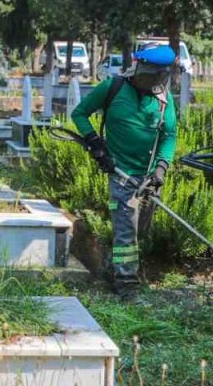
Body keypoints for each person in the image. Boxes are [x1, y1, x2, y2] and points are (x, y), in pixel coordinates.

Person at [71, 44, 179, 296]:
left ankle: (114, 267)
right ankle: (126, 285)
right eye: (149, 76)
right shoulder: (113, 88)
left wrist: (161, 169)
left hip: (149, 178)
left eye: (159, 77)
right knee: (126, 230)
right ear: (138, 69)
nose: (153, 82)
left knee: (139, 231)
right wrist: (96, 143)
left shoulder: (163, 99)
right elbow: (80, 114)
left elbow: (169, 135)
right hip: (120, 174)